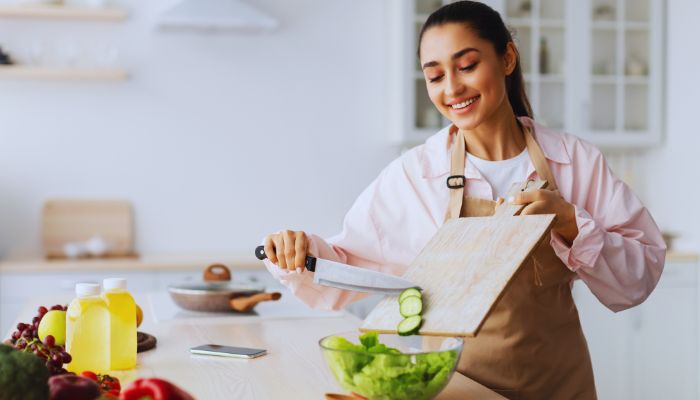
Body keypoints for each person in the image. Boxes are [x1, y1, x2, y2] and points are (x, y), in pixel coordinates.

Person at [261, 1, 665, 399]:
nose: (452, 88)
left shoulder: (574, 161)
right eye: (435, 76)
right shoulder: (416, 175)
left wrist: (572, 224)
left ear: (507, 57)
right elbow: (343, 267)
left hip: (560, 385)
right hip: (458, 389)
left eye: (467, 66)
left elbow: (639, 276)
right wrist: (297, 251)